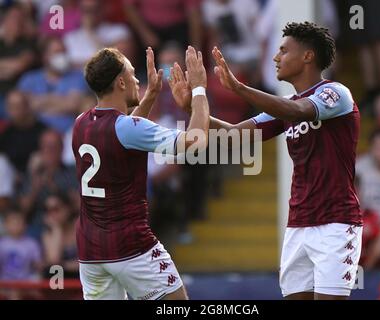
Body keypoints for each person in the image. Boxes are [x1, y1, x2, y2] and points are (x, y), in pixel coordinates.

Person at [169, 22, 362, 300]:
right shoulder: (285, 105)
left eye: (283, 50)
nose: (275, 57)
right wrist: (193, 106)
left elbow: (297, 111)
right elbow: (234, 135)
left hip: (336, 225)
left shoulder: (335, 94)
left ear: (308, 56)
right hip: (298, 226)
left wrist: (239, 87)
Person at [72, 46, 209, 300]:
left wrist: (150, 97)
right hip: (130, 246)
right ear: (121, 82)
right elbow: (197, 140)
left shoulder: (81, 123)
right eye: (134, 74)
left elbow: (123, 135)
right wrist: (199, 88)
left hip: (91, 253)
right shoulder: (128, 127)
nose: (139, 81)